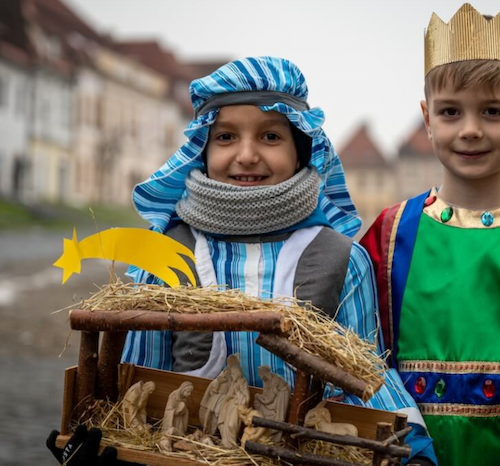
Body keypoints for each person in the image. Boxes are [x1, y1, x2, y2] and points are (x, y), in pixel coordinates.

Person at [120, 56, 436, 465]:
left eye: (270, 137)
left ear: (300, 150)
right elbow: (136, 382)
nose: (247, 155)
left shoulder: (341, 260)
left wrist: (412, 449)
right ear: (202, 148)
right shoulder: (167, 255)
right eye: (226, 137)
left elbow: (366, 380)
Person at [359, 5, 500, 466]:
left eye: (491, 110)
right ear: (427, 118)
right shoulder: (388, 235)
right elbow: (360, 369)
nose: (469, 129)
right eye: (450, 111)